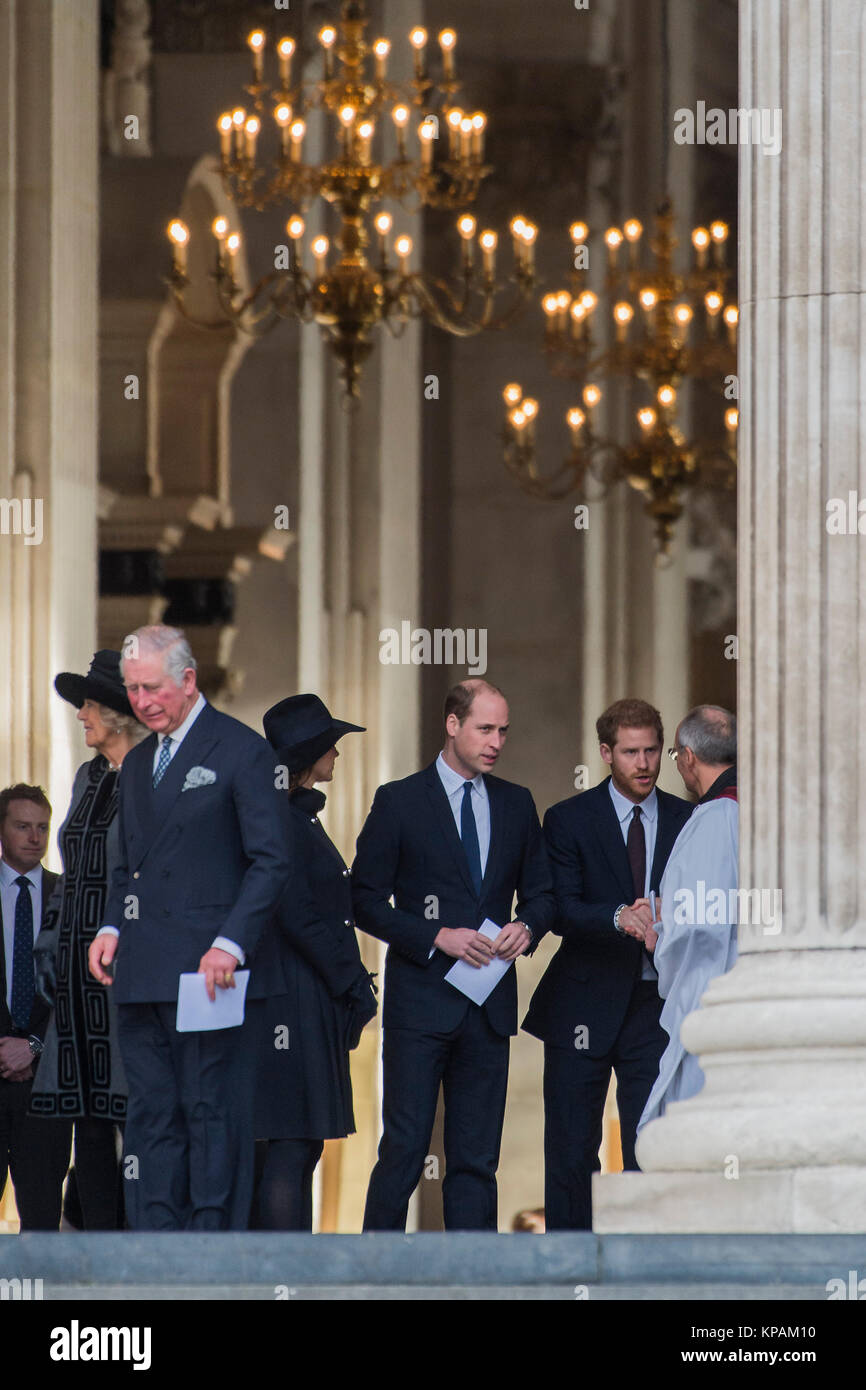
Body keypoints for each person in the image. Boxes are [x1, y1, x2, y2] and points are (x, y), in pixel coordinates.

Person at [87, 624, 292, 1230]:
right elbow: (127, 865)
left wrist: (230, 943)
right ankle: (154, 1238)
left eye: (152, 687)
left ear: (188, 679)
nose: (142, 701)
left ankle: (210, 1246)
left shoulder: (240, 749)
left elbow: (271, 860)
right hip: (143, 970)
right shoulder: (138, 761)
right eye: (132, 689)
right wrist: (110, 930)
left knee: (210, 1109)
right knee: (150, 1112)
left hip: (210, 974)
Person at [354, 678, 554, 1231]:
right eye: (484, 728)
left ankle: (476, 1280)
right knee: (403, 1149)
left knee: (476, 1159)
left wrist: (527, 926)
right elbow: (364, 901)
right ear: (452, 724)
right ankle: (373, 1276)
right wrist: (433, 936)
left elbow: (543, 893)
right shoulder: (399, 800)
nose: (496, 741)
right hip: (420, 1004)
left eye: (503, 731)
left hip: (488, 1008)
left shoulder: (516, 803)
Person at [522, 697, 692, 1231]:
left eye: (652, 751)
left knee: (651, 1150)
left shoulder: (691, 819)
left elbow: (713, 902)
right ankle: (568, 1271)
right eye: (630, 752)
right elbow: (562, 908)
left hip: (656, 1006)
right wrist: (620, 916)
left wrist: (671, 915)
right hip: (582, 1003)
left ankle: (644, 1272)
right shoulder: (569, 819)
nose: (643, 764)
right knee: (572, 1152)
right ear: (605, 753)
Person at [30, 651, 148, 1229]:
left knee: (142, 1120)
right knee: (90, 1122)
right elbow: (69, 869)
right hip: (76, 987)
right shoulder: (88, 777)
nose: (81, 714)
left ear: (120, 715)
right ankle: (99, 1253)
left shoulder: (155, 776)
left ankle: (147, 1257)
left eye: (91, 705)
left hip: (130, 976)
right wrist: (48, 950)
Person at [253, 694, 377, 1231]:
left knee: (294, 1144)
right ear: (308, 755)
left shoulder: (293, 817)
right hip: (291, 1000)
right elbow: (298, 914)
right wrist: (350, 981)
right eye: (331, 744)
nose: (339, 754)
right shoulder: (281, 819)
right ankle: (283, 1277)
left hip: (302, 996)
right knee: (290, 1143)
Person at [637, 705, 738, 1131]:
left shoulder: (717, 818)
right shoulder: (756, 810)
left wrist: (658, 936)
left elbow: (701, 924)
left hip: (708, 996)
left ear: (689, 756)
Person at [0, 784, 71, 1229]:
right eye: (23, 826)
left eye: (42, 827)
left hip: (47, 1083)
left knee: (43, 1219)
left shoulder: (69, 897)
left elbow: (80, 989)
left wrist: (33, 1045)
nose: (34, 836)